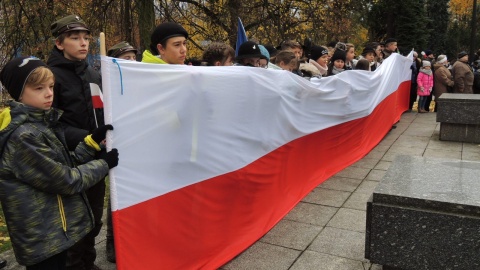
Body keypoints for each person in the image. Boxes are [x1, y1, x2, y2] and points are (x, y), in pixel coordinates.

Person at [0, 56, 119, 269]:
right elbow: (66, 180)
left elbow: (63, 164)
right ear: (18, 93)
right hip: (43, 241)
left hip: (55, 233)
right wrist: (103, 164)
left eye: (51, 86)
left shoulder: (42, 124)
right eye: (39, 88)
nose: (49, 94)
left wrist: (90, 144)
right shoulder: (23, 137)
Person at [47, 14, 106, 270]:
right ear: (60, 44)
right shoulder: (49, 77)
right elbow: (49, 125)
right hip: (70, 162)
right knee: (74, 224)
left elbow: (103, 111)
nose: (83, 43)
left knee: (94, 219)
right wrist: (86, 138)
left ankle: (89, 264)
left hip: (97, 160)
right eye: (75, 38)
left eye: (85, 38)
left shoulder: (93, 73)